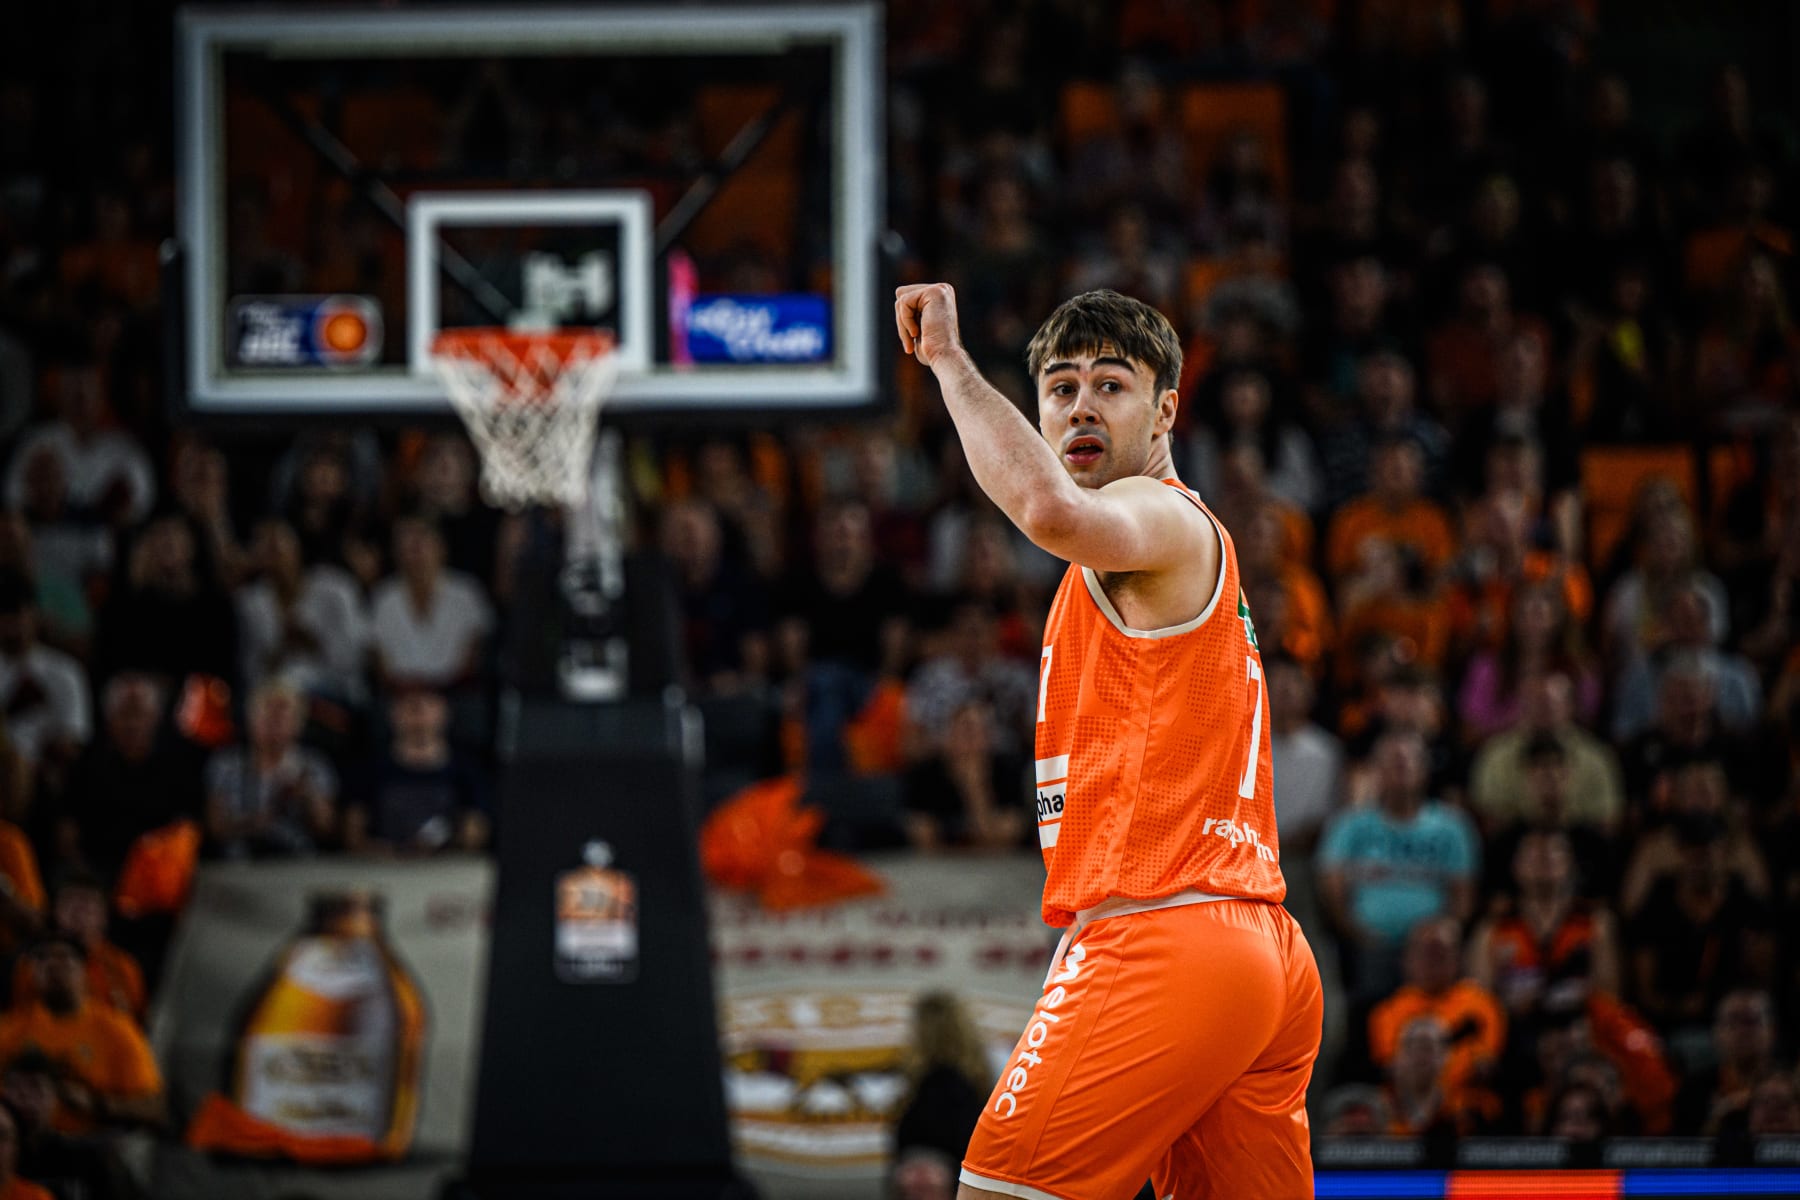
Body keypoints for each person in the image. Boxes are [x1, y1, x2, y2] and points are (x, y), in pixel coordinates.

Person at [894, 284, 1322, 1199]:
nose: (1080, 404)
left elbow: (1049, 515)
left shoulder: (1156, 518)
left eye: (1111, 385)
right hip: (1258, 951)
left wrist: (948, 364)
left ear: (1167, 408)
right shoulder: (1142, 556)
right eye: (1060, 386)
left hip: (1169, 932)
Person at [0, 934, 163, 1133]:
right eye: (42, 959)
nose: (54, 965)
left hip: (91, 1145)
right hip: (21, 1144)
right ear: (32, 972)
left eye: (65, 959)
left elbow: (154, 1107)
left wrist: (97, 1104)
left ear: (84, 971)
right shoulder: (9, 1028)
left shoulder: (117, 1030)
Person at [12, 870, 145, 1023]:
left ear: (104, 916)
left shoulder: (123, 967)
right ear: (54, 911)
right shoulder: (33, 966)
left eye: (88, 904)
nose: (79, 913)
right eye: (70, 902)